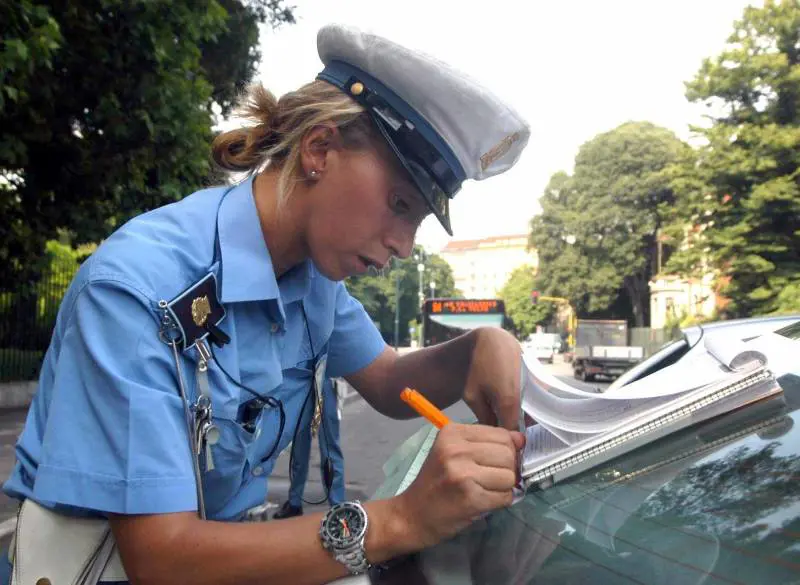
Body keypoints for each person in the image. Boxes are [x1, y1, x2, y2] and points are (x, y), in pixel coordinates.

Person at [1, 23, 530, 585]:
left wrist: (474, 350)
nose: (403, 245)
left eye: (418, 221)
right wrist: (401, 520)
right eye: (400, 203)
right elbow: (161, 557)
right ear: (319, 149)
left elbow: (388, 381)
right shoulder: (139, 287)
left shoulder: (311, 279)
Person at [273, 376, 346, 519]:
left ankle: (338, 506)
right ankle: (295, 502)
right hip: (302, 379)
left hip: (327, 378)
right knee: (299, 448)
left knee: (330, 448)